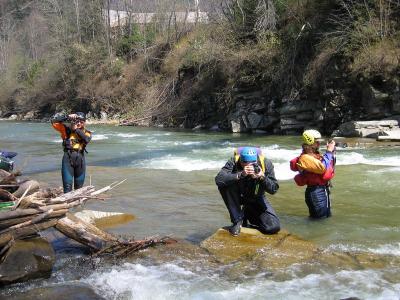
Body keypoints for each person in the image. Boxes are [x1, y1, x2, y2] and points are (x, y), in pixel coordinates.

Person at [215, 146, 280, 236]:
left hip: (257, 197)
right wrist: (241, 174)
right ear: (241, 161)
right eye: (245, 163)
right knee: (224, 185)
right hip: (238, 196)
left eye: (252, 163)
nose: (249, 166)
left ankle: (247, 213)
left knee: (273, 227)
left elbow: (274, 189)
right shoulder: (234, 161)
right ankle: (237, 220)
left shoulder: (265, 163)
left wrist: (262, 177)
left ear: (256, 160)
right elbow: (219, 180)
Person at [290, 129, 336, 219]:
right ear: (310, 142)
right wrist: (329, 152)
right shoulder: (305, 158)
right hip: (315, 193)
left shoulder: (314, 155)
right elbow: (322, 168)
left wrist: (331, 153)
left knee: (326, 217)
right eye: (317, 142)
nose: (319, 144)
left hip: (321, 190)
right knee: (319, 219)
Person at [51, 112, 92, 193]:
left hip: (80, 161)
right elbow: (53, 121)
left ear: (85, 123)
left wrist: (76, 129)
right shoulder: (66, 130)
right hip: (68, 159)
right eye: (77, 121)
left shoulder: (87, 133)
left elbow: (86, 140)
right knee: (67, 188)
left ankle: (78, 205)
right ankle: (68, 205)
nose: (79, 123)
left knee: (79, 189)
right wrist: (67, 116)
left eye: (81, 121)